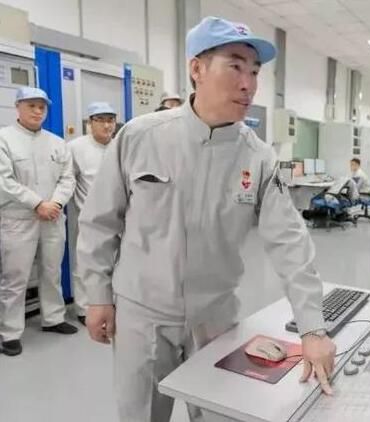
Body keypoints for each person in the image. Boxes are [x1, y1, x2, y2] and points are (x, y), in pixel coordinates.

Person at [77, 16, 336, 422]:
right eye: (235, 66)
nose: (248, 84)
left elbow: (290, 243)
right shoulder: (140, 137)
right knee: (142, 414)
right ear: (196, 69)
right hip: (142, 314)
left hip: (215, 318)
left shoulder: (258, 157)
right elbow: (99, 223)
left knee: (219, 414)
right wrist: (97, 296)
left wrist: (313, 328)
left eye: (254, 72)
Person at [0, 87, 78, 357]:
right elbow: (4, 181)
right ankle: (10, 333)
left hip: (53, 217)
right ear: (18, 107)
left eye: (42, 107)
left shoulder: (57, 142)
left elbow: (68, 178)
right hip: (18, 218)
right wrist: (37, 203)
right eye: (31, 105)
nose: (37, 111)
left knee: (51, 271)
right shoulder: (4, 139)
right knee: (15, 278)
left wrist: (55, 203)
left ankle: (53, 318)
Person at [68, 102, 117, 325]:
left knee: (116, 262)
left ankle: (113, 303)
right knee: (84, 263)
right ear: (90, 123)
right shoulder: (75, 147)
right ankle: (83, 308)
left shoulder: (120, 144)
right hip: (87, 217)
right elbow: (68, 179)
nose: (107, 125)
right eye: (101, 120)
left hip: (118, 215)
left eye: (111, 120)